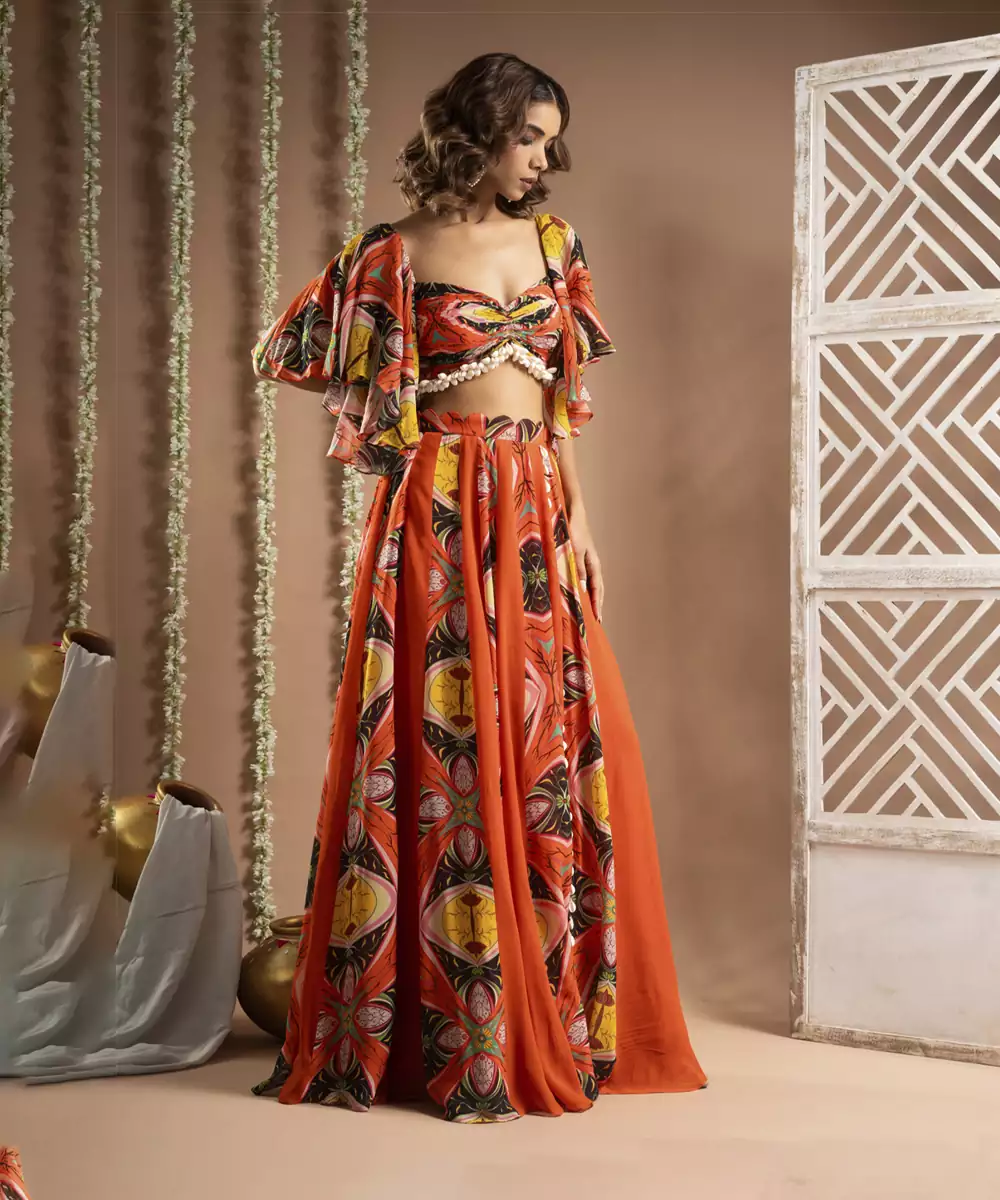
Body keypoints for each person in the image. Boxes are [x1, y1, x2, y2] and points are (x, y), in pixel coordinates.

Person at [250, 51, 707, 1123]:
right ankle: (449, 1025)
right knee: (444, 742)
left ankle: (544, 1006)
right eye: (530, 136)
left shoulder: (556, 244)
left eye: (550, 139)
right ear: (479, 131)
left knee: (548, 738)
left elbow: (559, 400)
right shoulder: (390, 254)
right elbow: (290, 352)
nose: (545, 158)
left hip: (536, 508)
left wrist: (581, 521)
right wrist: (391, 403)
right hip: (434, 511)